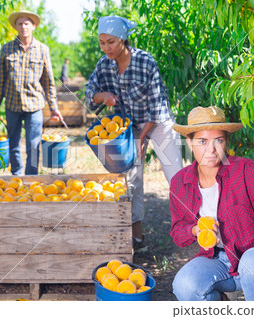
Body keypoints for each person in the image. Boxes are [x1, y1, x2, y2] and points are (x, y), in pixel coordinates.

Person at [170, 106, 254, 301]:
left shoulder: (245, 170)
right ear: (189, 143)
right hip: (217, 261)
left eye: (218, 141)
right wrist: (195, 230)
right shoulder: (180, 182)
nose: (211, 150)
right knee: (184, 286)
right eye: (202, 141)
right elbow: (178, 232)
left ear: (226, 142)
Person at [85, 15, 183, 249]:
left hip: (157, 122)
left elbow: (157, 105)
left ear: (123, 39)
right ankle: (136, 237)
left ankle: (195, 229)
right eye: (101, 42)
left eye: (111, 42)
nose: (106, 48)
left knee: (177, 176)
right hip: (128, 127)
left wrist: (141, 138)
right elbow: (90, 92)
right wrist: (102, 96)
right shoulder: (103, 65)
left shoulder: (145, 61)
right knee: (132, 178)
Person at [0, 10, 63, 175]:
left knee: (33, 144)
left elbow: (49, 82)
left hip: (34, 105)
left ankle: (31, 177)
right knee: (13, 143)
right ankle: (17, 175)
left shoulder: (42, 49)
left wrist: (53, 107)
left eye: (26, 23)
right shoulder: (7, 49)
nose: (23, 27)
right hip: (12, 105)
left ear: (33, 26)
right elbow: (1, 80)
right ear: (15, 27)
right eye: (20, 24)